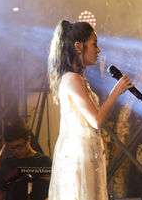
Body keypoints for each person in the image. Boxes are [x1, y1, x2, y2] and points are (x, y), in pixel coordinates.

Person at [47, 20, 133, 200]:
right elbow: (96, 120)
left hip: (86, 152)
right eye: (94, 44)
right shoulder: (71, 79)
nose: (98, 50)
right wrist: (116, 91)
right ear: (78, 46)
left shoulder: (78, 79)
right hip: (78, 155)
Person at [0, 118, 52, 200]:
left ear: (29, 140)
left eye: (19, 146)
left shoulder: (44, 163)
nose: (16, 151)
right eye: (12, 148)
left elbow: (52, 193)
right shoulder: (7, 164)